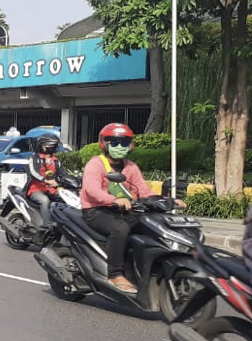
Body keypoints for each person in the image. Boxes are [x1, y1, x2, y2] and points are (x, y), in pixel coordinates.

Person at [81, 123, 185, 294]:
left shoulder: (131, 167)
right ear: (104, 144)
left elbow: (143, 191)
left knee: (149, 226)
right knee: (120, 229)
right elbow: (92, 191)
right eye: (114, 143)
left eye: (124, 143)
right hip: (96, 210)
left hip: (123, 210)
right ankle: (114, 274)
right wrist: (114, 199)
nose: (119, 147)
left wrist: (168, 201)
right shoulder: (96, 164)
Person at [25, 133, 67, 227]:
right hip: (35, 189)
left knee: (66, 199)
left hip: (51, 189)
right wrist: (46, 180)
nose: (53, 147)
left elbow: (63, 173)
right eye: (51, 145)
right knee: (44, 200)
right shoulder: (35, 159)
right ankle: (47, 225)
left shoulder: (56, 160)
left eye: (54, 145)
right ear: (43, 146)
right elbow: (34, 172)